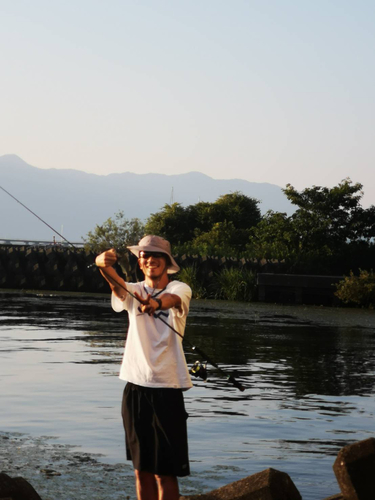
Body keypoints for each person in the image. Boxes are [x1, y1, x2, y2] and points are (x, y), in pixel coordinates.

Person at [95, 235, 193, 500]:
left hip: (168, 390)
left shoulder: (180, 288)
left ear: (167, 262)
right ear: (140, 263)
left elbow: (172, 299)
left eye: (156, 256)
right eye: (145, 256)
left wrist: (156, 303)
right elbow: (115, 284)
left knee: (165, 472)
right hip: (135, 389)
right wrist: (101, 263)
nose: (151, 260)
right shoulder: (132, 291)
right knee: (141, 470)